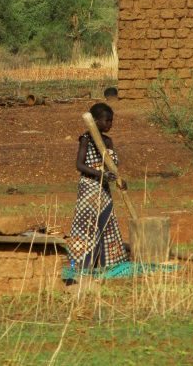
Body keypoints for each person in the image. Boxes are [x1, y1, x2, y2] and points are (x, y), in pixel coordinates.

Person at [67, 103, 129, 269]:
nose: (110, 124)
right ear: (95, 121)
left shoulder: (108, 141)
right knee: (85, 226)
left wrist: (119, 179)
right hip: (88, 189)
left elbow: (112, 168)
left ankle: (109, 263)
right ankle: (78, 265)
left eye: (111, 121)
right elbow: (79, 165)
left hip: (104, 191)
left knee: (107, 224)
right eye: (107, 120)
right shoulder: (86, 140)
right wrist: (101, 174)